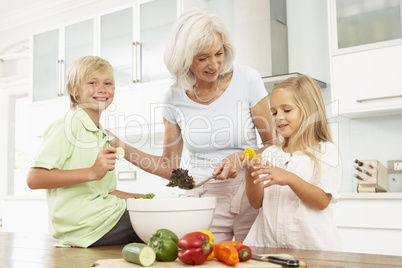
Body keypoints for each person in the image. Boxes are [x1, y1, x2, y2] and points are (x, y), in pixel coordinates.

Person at [108, 8, 275, 243]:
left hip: (250, 190)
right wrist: (120, 145)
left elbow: (273, 144)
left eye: (219, 53)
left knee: (254, 260)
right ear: (185, 59)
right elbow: (169, 166)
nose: (214, 64)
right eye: (203, 58)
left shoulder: (247, 79)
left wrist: (240, 157)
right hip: (203, 197)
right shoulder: (174, 97)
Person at [26, 56, 144, 248]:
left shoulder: (101, 135)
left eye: (108, 83)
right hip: (88, 224)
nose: (102, 89)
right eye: (92, 83)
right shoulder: (68, 125)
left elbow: (106, 192)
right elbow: (34, 178)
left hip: (103, 215)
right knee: (164, 222)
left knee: (158, 213)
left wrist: (145, 199)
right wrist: (91, 172)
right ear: (73, 91)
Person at [242, 75, 342, 250]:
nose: (278, 117)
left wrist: (289, 178)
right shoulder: (270, 154)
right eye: (274, 112)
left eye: (286, 110)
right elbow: (256, 203)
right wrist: (250, 174)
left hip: (312, 249)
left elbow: (322, 201)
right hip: (268, 247)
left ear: (310, 111)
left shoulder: (325, 151)